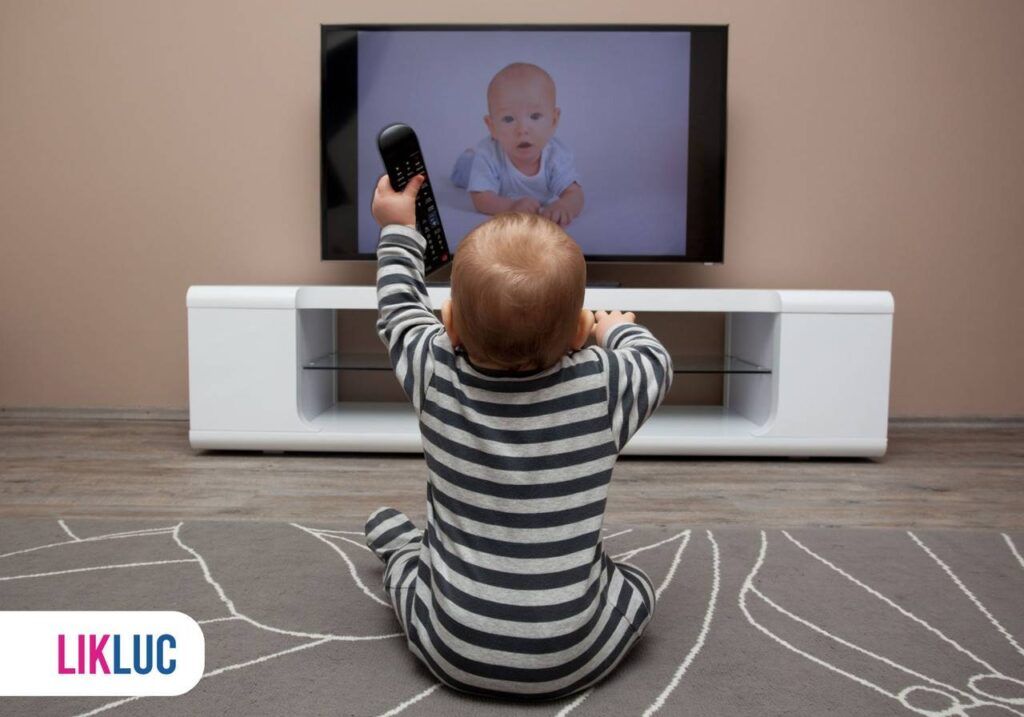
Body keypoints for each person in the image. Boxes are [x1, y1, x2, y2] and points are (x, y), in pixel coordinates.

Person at [364, 173, 671, 700]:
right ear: (578, 332)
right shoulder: (606, 385)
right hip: (574, 655)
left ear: (449, 325)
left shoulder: (433, 371)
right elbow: (655, 361)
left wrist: (397, 229)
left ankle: (401, 553)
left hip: (452, 649)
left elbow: (399, 310)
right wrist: (613, 329)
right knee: (637, 589)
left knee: (414, 579)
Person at [451, 62, 584, 227]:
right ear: (492, 127)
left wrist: (564, 206)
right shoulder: (488, 155)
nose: (522, 130)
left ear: (553, 120)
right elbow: (481, 198)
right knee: (466, 171)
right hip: (474, 167)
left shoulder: (556, 156)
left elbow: (574, 193)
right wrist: (510, 207)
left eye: (535, 116)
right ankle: (468, 156)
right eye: (508, 119)